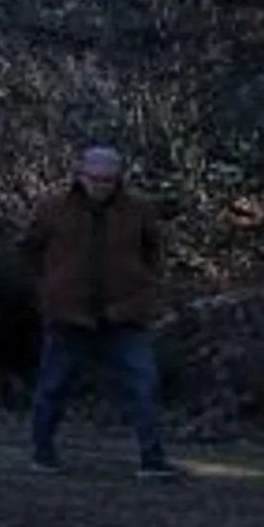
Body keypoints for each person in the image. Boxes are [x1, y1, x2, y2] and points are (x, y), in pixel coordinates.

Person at [17, 144, 178, 476]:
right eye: (96, 179)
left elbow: (154, 254)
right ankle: (42, 452)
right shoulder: (53, 209)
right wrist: (49, 289)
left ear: (118, 179)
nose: (102, 186)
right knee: (53, 387)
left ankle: (153, 459)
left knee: (144, 385)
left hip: (124, 314)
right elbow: (29, 250)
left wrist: (144, 288)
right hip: (69, 314)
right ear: (81, 176)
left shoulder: (139, 211)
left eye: (109, 180)